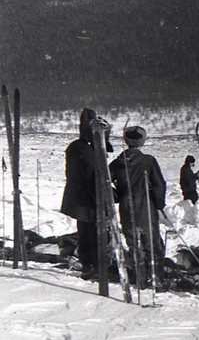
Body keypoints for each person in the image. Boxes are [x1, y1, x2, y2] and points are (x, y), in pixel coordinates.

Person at [109, 126, 167, 286]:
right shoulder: (148, 161)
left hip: (127, 209)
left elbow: (105, 185)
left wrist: (118, 196)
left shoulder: (116, 164)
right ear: (142, 141)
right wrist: (159, 203)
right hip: (145, 207)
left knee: (133, 244)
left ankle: (139, 279)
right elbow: (159, 185)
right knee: (152, 243)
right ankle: (157, 279)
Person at [60, 108, 113, 280]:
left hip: (78, 200)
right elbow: (94, 181)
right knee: (96, 235)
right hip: (89, 201)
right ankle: (97, 269)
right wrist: (109, 198)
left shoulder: (75, 147)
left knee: (84, 233)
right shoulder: (89, 152)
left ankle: (88, 267)